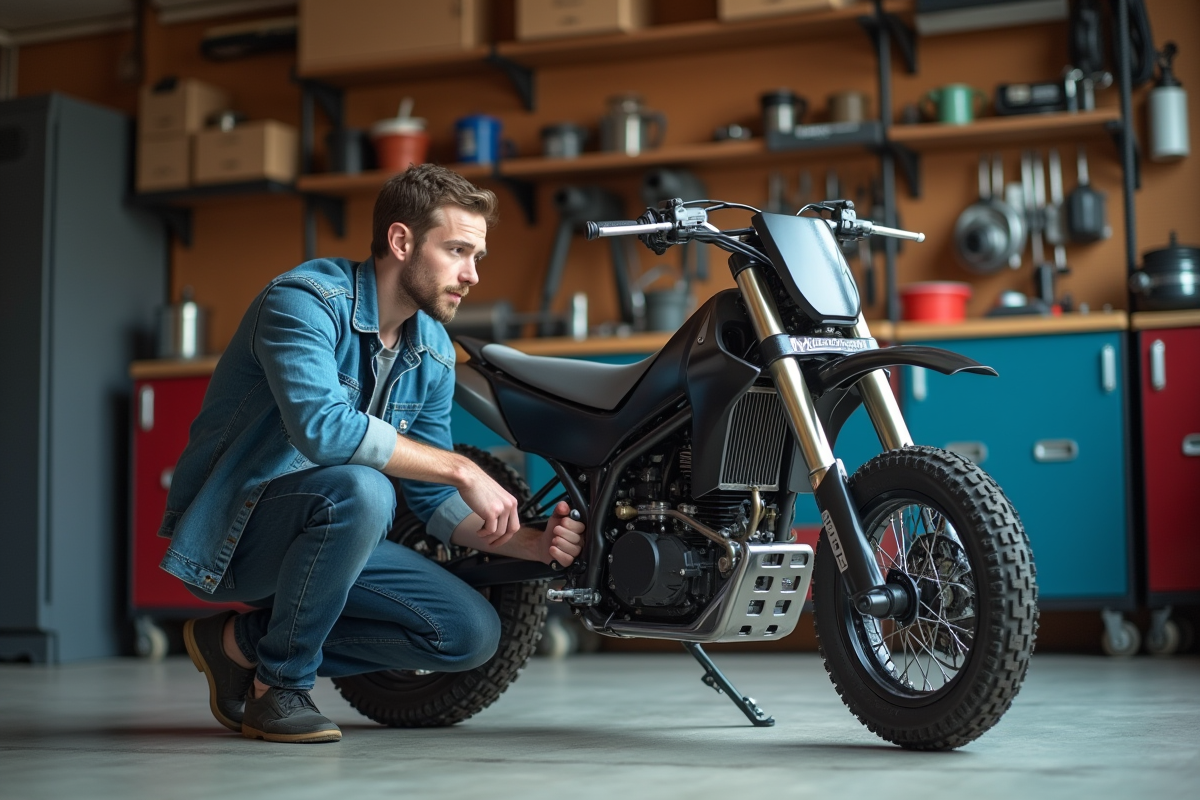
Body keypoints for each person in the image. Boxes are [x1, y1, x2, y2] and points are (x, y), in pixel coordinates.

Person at [160, 164, 584, 743]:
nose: (472, 274)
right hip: (238, 535)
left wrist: (530, 544)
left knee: (469, 635)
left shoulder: (431, 349)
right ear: (401, 241)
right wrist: (464, 467)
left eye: (477, 256)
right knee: (364, 488)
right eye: (458, 250)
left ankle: (237, 645)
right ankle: (280, 689)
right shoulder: (303, 301)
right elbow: (322, 430)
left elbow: (435, 499)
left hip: (336, 537)